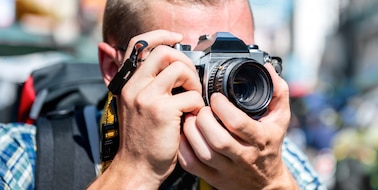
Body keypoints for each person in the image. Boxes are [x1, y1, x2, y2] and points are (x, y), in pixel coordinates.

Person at [0, 0, 323, 189]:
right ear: (114, 68)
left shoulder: (280, 161)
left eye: (240, 59)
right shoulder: (25, 154)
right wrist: (135, 170)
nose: (224, 83)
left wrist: (271, 182)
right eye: (185, 60)